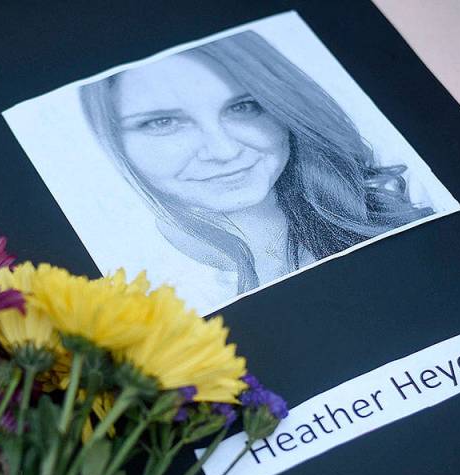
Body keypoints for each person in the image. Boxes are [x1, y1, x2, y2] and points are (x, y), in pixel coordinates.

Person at [80, 30, 433, 298]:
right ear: (114, 141)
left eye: (244, 107)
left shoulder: (403, 192)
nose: (223, 150)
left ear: (283, 107)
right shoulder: (124, 291)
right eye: (163, 122)